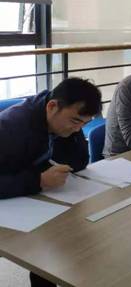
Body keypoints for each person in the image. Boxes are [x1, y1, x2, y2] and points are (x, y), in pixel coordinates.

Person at [0, 77, 102, 287]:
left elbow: (80, 162)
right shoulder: (11, 127)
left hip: (30, 199)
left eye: (84, 124)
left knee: (64, 235)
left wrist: (71, 132)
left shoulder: (59, 121)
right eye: (75, 121)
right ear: (52, 106)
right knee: (51, 241)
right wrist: (38, 180)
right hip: (9, 207)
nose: (78, 129)